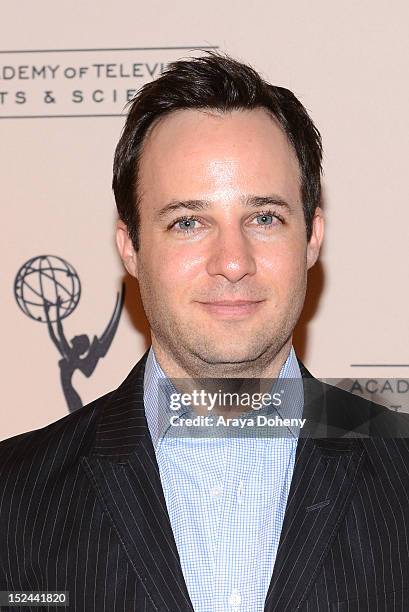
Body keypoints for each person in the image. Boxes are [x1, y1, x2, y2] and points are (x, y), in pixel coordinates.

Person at [1, 52, 408, 612]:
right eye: (188, 222)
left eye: (264, 217)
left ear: (312, 237)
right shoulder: (13, 499)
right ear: (131, 247)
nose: (232, 261)